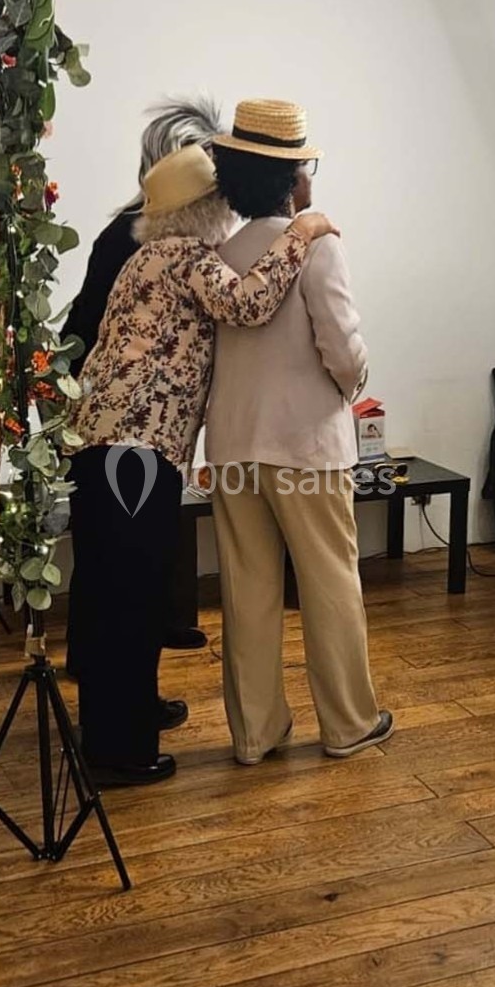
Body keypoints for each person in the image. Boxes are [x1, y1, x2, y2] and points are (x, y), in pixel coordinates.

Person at [67, 144, 337, 786]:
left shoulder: (146, 259)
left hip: (110, 451)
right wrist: (302, 230)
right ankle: (119, 753)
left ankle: (119, 725)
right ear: (203, 210)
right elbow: (250, 302)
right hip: (134, 453)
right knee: (131, 598)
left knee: (115, 592)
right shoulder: (183, 258)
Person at [207, 99, 393, 765]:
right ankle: (347, 724)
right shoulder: (318, 246)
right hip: (308, 449)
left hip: (232, 446)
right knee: (329, 583)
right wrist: (354, 385)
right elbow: (344, 353)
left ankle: (256, 734)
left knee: (247, 590)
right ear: (295, 177)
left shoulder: (219, 253)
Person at [62, 97, 222, 653]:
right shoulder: (139, 238)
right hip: (120, 424)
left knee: (126, 552)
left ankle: (127, 660)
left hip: (120, 423)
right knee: (116, 559)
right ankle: (109, 684)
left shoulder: (147, 234)